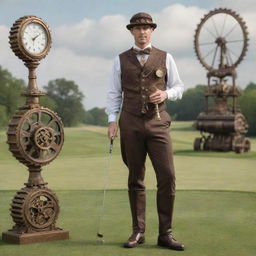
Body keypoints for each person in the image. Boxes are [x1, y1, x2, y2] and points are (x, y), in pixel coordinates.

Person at [106, 12, 185, 250]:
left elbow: (179, 86)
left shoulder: (165, 57)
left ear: (152, 30)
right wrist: (112, 121)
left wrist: (166, 94)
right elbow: (113, 93)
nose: (142, 32)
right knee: (135, 178)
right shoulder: (119, 60)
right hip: (130, 123)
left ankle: (166, 234)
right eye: (138, 28)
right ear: (131, 31)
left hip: (158, 122)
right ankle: (138, 232)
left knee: (168, 177)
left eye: (146, 28)